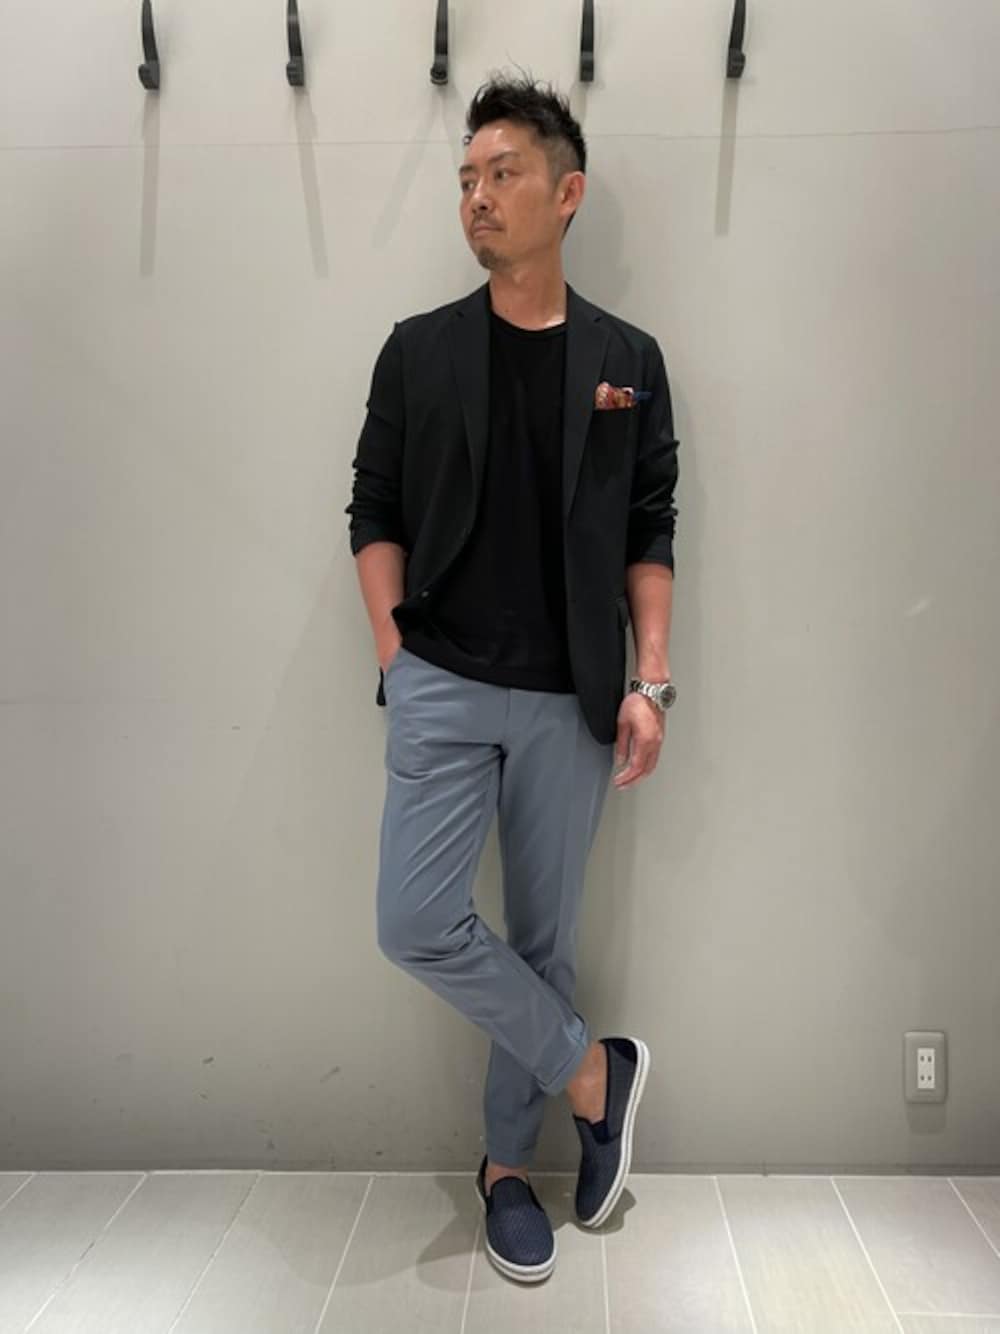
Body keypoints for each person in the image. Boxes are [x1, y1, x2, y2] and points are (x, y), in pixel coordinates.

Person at [344, 70, 679, 1283]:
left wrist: (650, 680)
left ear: (565, 192)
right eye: (466, 179)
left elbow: (650, 527)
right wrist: (395, 653)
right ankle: (595, 1073)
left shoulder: (626, 358)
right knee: (414, 919)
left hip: (568, 694)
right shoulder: (419, 349)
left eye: (503, 173)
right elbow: (373, 508)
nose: (478, 196)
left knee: (541, 942)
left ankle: (503, 1170)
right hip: (440, 677)